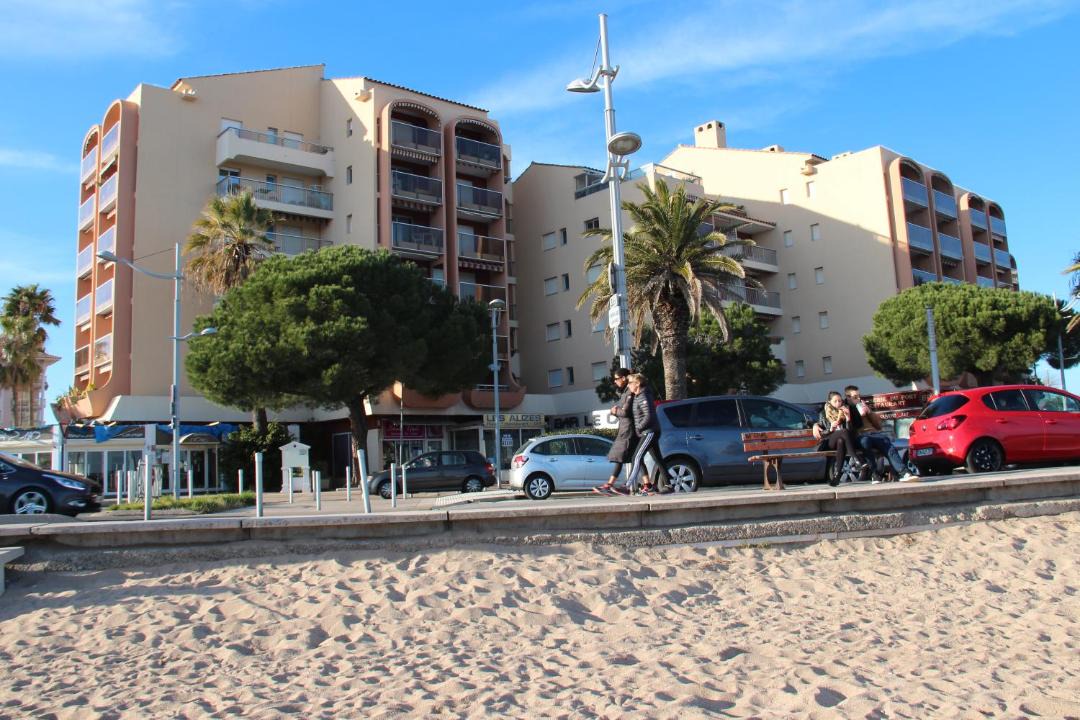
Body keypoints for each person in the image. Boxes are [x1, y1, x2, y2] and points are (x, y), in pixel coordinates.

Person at [844, 386, 919, 483]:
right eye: (855, 397)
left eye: (859, 396)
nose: (858, 399)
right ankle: (875, 474)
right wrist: (848, 417)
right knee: (865, 442)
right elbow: (848, 430)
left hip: (874, 434)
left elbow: (878, 426)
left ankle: (904, 472)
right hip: (860, 436)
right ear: (848, 397)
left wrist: (869, 412)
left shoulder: (862, 405)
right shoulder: (845, 409)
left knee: (887, 443)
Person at [594, 368, 637, 495]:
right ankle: (648, 484)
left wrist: (615, 411)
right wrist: (617, 411)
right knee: (634, 458)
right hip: (626, 428)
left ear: (624, 378)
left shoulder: (630, 392)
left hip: (629, 429)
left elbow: (626, 412)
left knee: (621, 456)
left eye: (617, 379)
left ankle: (609, 484)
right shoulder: (625, 392)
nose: (615, 381)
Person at [623, 373, 667, 495]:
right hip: (649, 431)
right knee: (658, 458)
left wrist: (639, 428)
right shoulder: (638, 396)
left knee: (636, 457)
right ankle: (669, 484)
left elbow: (649, 416)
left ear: (637, 384)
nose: (628, 385)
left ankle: (627, 486)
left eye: (630, 383)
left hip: (649, 431)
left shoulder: (643, 395)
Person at [813, 390, 866, 487]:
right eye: (835, 401)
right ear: (829, 402)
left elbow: (851, 433)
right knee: (843, 433)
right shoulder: (823, 414)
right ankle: (855, 459)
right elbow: (821, 434)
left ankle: (837, 477)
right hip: (829, 441)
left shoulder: (846, 410)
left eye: (840, 401)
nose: (838, 403)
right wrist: (830, 428)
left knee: (841, 440)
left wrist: (848, 418)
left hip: (844, 443)